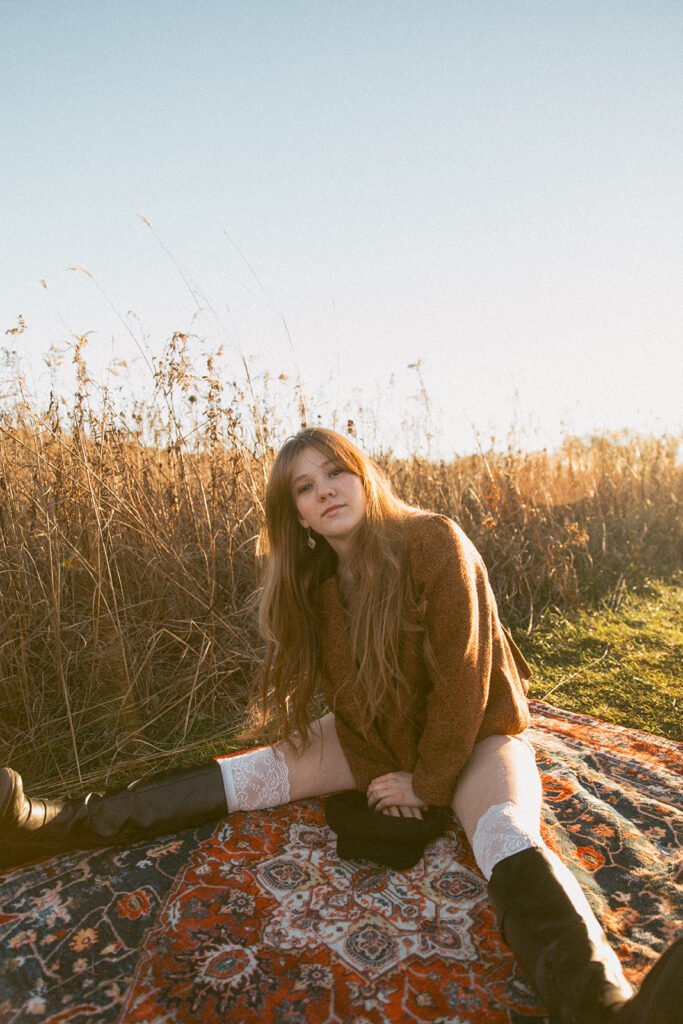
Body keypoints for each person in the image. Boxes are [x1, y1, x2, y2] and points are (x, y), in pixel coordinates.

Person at [1, 427, 680, 1022]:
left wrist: (425, 783)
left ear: (363, 478)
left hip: (473, 733)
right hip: (376, 734)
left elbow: (463, 677)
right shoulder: (319, 586)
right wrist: (377, 763)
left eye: (336, 472)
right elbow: (349, 703)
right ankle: (46, 828)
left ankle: (601, 1010)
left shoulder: (432, 539)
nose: (325, 491)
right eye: (304, 486)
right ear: (293, 513)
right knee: (256, 771)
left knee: (502, 830)